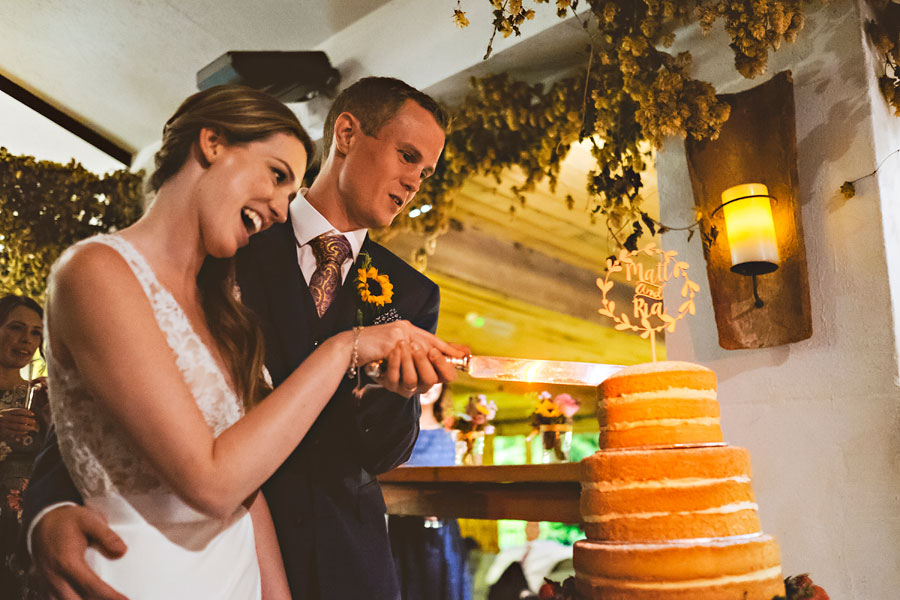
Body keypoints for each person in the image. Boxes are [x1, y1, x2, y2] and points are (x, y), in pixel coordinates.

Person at [23, 77, 461, 599]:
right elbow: (99, 385)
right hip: (204, 540)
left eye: (426, 172)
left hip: (346, 560)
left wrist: (398, 393)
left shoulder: (411, 293)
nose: (415, 181)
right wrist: (47, 505)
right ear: (346, 132)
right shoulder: (227, 235)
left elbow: (384, 453)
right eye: (407, 156)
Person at [389, 382, 472, 600]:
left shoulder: (455, 436)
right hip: (403, 530)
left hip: (443, 532)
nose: (429, 386)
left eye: (437, 380)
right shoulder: (393, 436)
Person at [0, 294, 48, 598]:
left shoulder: (41, 395)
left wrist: (54, 421)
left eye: (35, 332)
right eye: (16, 327)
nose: (26, 340)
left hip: (28, 529)